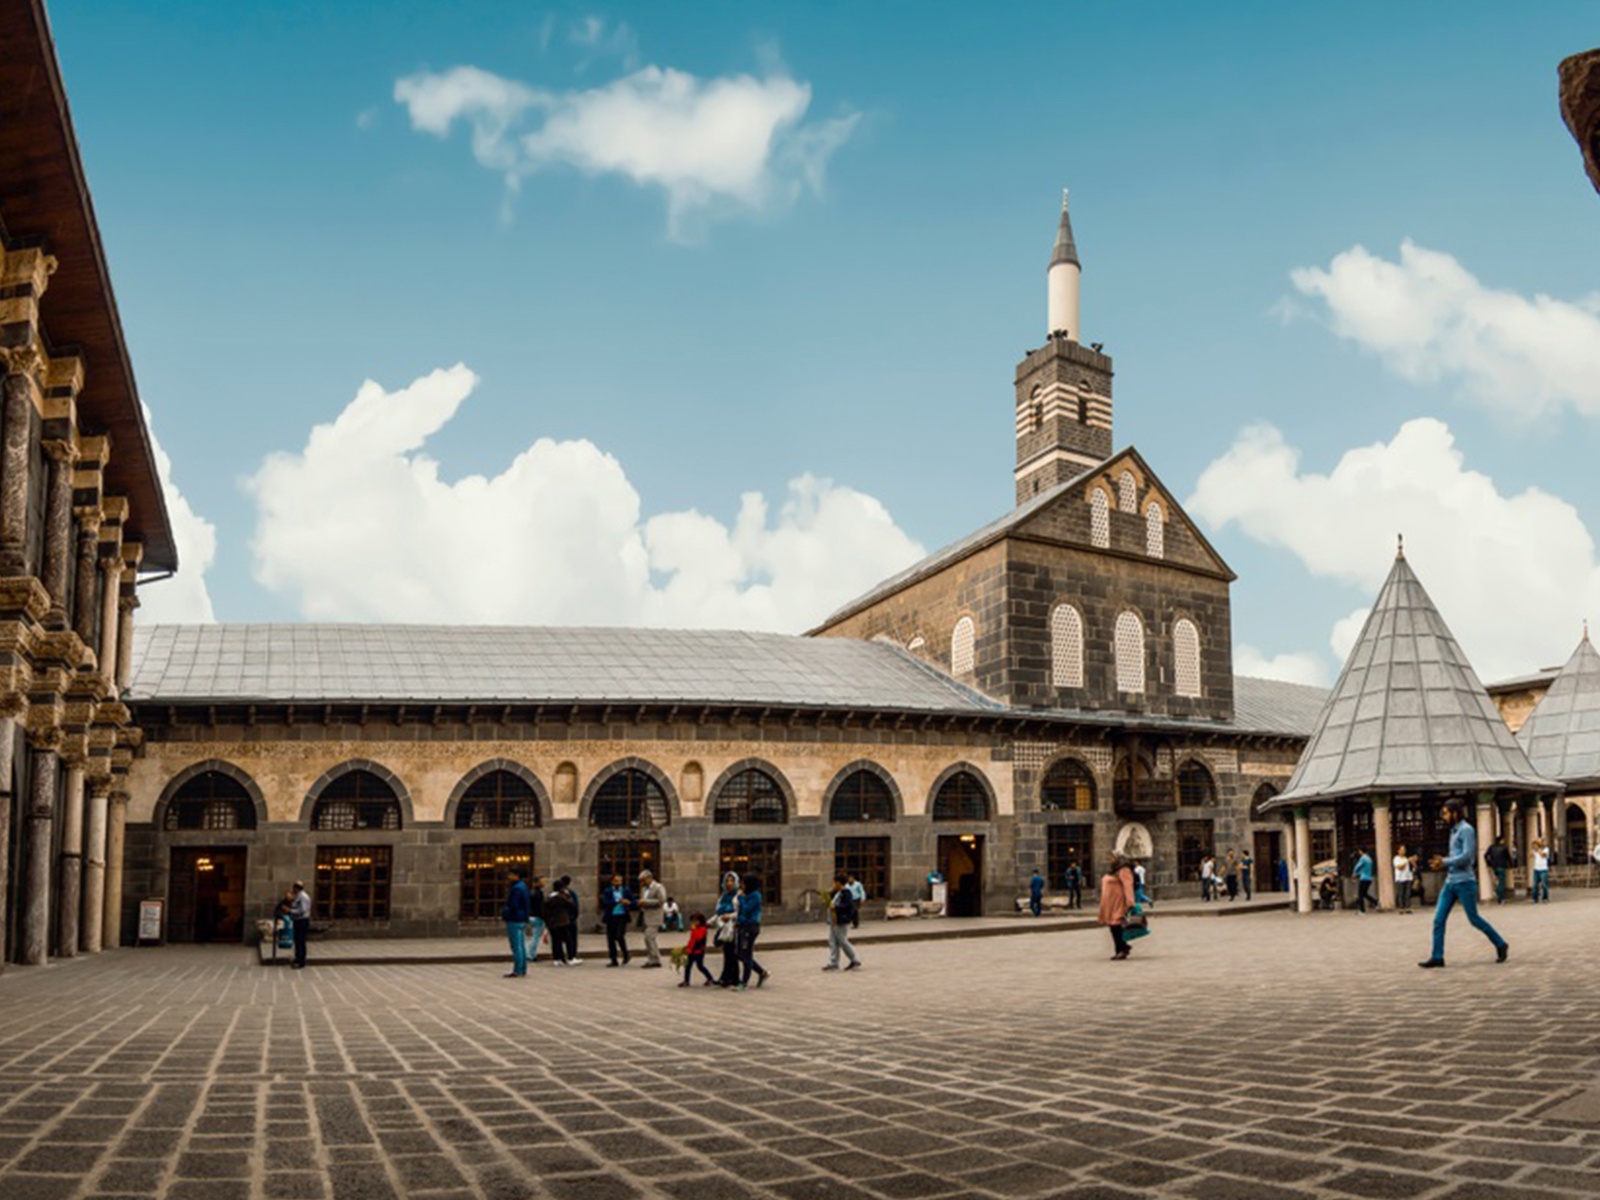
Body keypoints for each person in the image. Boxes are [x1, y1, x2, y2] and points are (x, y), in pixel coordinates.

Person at [1419, 797, 1508, 968]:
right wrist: (1443, 863)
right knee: (1438, 919)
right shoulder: (1453, 831)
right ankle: (1437, 956)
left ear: (1455, 813)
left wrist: (1444, 862)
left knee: (1473, 919)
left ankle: (1500, 943)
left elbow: (1468, 856)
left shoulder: (1466, 830)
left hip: (1465, 882)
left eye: (1446, 813)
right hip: (1450, 881)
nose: (1443, 816)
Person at [1098, 853, 1137, 961]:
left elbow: (1128, 886)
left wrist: (1130, 903)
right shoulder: (1114, 870)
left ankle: (1121, 950)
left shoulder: (1124, 870)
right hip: (1110, 903)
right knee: (1113, 926)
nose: (1109, 860)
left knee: (1116, 926)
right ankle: (1123, 947)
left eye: (1112, 857)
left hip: (1118, 902)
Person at [734, 873, 769, 991]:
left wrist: (741, 898)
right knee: (740, 953)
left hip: (750, 926)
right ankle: (761, 972)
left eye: (743, 883)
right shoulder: (747, 895)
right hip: (742, 926)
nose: (741, 886)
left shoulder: (755, 896)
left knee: (746, 954)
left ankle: (744, 982)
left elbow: (748, 909)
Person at [824, 872, 861, 971]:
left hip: (840, 921)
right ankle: (834, 962)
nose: (834, 885)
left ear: (839, 883)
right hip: (833, 920)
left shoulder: (846, 892)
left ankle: (854, 959)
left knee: (842, 941)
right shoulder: (838, 893)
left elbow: (847, 906)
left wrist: (835, 907)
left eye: (835, 883)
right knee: (832, 942)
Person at [502, 867, 531, 978]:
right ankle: (522, 968)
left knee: (516, 946)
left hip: (515, 919)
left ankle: (518, 969)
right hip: (522, 918)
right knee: (521, 945)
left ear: (516, 875)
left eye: (511, 874)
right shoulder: (523, 887)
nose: (509, 877)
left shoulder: (516, 888)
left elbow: (513, 904)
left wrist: (506, 911)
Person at [714, 871, 741, 987]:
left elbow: (740, 912)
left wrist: (729, 916)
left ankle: (728, 978)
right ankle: (731, 977)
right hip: (723, 927)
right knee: (727, 952)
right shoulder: (723, 896)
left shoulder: (738, 896)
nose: (729, 883)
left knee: (731, 953)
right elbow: (718, 912)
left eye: (732, 881)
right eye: (727, 881)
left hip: (733, 927)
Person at [601, 874, 633, 967]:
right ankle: (613, 959)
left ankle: (625, 954)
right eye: (616, 881)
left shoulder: (626, 890)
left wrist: (628, 902)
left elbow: (632, 901)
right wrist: (617, 902)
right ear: (612, 882)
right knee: (611, 938)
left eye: (620, 881)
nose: (618, 883)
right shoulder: (608, 891)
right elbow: (605, 903)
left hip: (622, 916)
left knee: (619, 936)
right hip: (611, 916)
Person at [637, 869, 667, 968]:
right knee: (649, 939)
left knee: (648, 937)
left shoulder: (658, 887)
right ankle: (653, 959)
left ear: (649, 878)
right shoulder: (643, 889)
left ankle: (655, 959)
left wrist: (645, 902)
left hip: (655, 917)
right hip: (646, 916)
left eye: (643, 880)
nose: (642, 883)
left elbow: (661, 900)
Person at [543, 876, 576, 964]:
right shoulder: (561, 897)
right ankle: (570, 957)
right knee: (568, 940)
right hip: (562, 921)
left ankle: (557, 958)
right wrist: (567, 895)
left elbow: (545, 910)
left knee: (556, 941)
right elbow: (571, 904)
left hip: (552, 922)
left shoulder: (549, 897)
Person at [678, 913, 716, 987]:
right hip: (692, 950)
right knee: (688, 966)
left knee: (700, 966)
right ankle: (686, 980)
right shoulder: (695, 929)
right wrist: (688, 947)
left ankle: (710, 978)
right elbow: (692, 939)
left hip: (699, 951)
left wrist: (694, 930)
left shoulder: (703, 929)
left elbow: (698, 937)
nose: (694, 923)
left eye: (695, 921)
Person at [289, 880, 312, 969]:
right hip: (298, 920)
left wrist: (290, 911)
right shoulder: (298, 896)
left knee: (300, 940)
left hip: (302, 920)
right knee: (297, 940)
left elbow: (303, 910)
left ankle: (301, 961)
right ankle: (297, 957)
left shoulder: (303, 897)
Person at [525, 874, 547, 965]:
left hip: (530, 916)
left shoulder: (531, 892)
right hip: (537, 917)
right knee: (536, 937)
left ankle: (528, 953)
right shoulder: (538, 893)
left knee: (531, 936)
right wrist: (544, 917)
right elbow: (539, 907)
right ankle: (531, 955)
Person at [1485, 837, 1512, 904]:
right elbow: (1508, 857)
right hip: (1502, 866)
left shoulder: (1491, 847)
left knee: (1497, 880)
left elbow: (1485, 855)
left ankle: (1497, 891)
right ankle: (1500, 897)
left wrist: (1489, 863)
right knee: (1502, 882)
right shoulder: (1504, 848)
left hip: (1494, 866)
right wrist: (1511, 865)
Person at [1352, 848, 1375, 913]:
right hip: (1369, 878)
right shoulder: (1369, 859)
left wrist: (1354, 874)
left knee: (1360, 894)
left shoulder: (1363, 858)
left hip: (1363, 878)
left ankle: (1362, 909)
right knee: (1364, 893)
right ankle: (1375, 902)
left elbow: (1357, 867)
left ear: (1360, 851)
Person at [1393, 845, 1413, 912]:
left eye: (1404, 850)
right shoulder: (1396, 859)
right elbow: (1399, 867)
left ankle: (1407, 907)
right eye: (1401, 849)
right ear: (1398, 851)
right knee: (1401, 893)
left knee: (1407, 893)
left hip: (1408, 877)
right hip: (1400, 878)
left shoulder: (1405, 858)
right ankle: (1401, 907)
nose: (1403, 851)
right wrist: (1407, 861)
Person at [1531, 839, 1550, 903]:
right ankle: (1535, 898)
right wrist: (1533, 850)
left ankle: (1545, 897)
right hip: (1536, 869)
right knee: (1535, 885)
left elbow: (1543, 855)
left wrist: (1538, 849)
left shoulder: (1546, 849)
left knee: (1544, 884)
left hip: (1543, 869)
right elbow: (1530, 855)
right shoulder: (1535, 851)